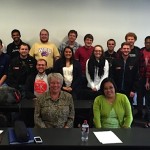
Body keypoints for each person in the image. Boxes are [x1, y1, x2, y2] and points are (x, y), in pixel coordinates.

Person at [110, 42, 139, 109]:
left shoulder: (134, 61)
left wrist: (133, 90)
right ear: (121, 49)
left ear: (130, 50)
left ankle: (129, 120)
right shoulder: (115, 61)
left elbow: (136, 77)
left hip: (129, 90)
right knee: (117, 107)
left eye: (127, 48)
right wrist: (112, 88)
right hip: (117, 89)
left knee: (128, 108)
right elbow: (111, 75)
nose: (126, 50)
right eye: (124, 48)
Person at [138, 36, 150, 127]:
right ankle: (139, 113)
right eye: (146, 42)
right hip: (141, 78)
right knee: (140, 97)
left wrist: (147, 81)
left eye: (149, 42)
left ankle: (148, 117)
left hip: (148, 79)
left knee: (148, 99)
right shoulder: (141, 52)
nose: (148, 44)